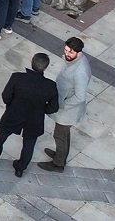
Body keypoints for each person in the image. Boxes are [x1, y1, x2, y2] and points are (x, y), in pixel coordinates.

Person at [0, 52, 60, 177]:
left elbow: (6, 96)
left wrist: (11, 106)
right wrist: (42, 109)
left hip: (13, 115)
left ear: (32, 62)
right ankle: (20, 168)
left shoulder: (17, 77)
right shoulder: (50, 86)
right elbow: (54, 107)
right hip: (34, 120)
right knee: (29, 145)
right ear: (46, 67)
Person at [39, 37, 90, 172]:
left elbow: (80, 96)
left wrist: (62, 105)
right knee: (64, 134)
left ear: (79, 52)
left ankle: (58, 164)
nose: (67, 54)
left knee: (59, 135)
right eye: (66, 50)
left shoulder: (81, 71)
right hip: (66, 108)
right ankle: (61, 156)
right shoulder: (75, 61)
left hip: (68, 111)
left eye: (71, 52)